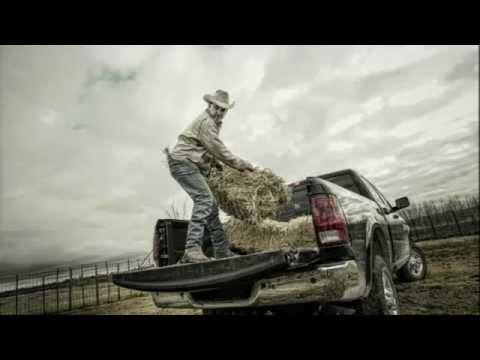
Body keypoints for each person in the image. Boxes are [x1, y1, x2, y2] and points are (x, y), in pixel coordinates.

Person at [166, 90, 254, 263]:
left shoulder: (213, 123)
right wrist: (241, 165)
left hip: (190, 163)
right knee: (204, 200)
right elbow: (218, 150)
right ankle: (192, 249)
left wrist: (218, 166)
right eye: (217, 108)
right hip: (183, 162)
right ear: (210, 105)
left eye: (224, 110)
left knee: (211, 206)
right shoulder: (207, 123)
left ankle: (221, 250)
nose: (220, 112)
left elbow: (208, 151)